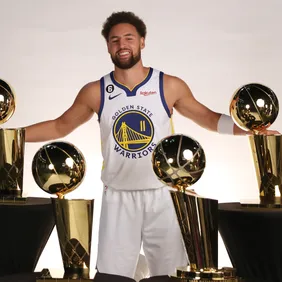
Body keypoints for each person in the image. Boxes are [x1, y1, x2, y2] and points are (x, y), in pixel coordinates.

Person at [24, 11, 279, 282]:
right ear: (108, 46)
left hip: (164, 195)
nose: (122, 45)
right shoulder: (96, 91)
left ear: (142, 42)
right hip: (119, 195)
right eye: (115, 40)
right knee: (112, 277)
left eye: (129, 38)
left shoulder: (168, 85)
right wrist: (11, 137)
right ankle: (136, 269)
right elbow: (59, 125)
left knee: (169, 276)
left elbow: (207, 117)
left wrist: (250, 130)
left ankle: (144, 269)